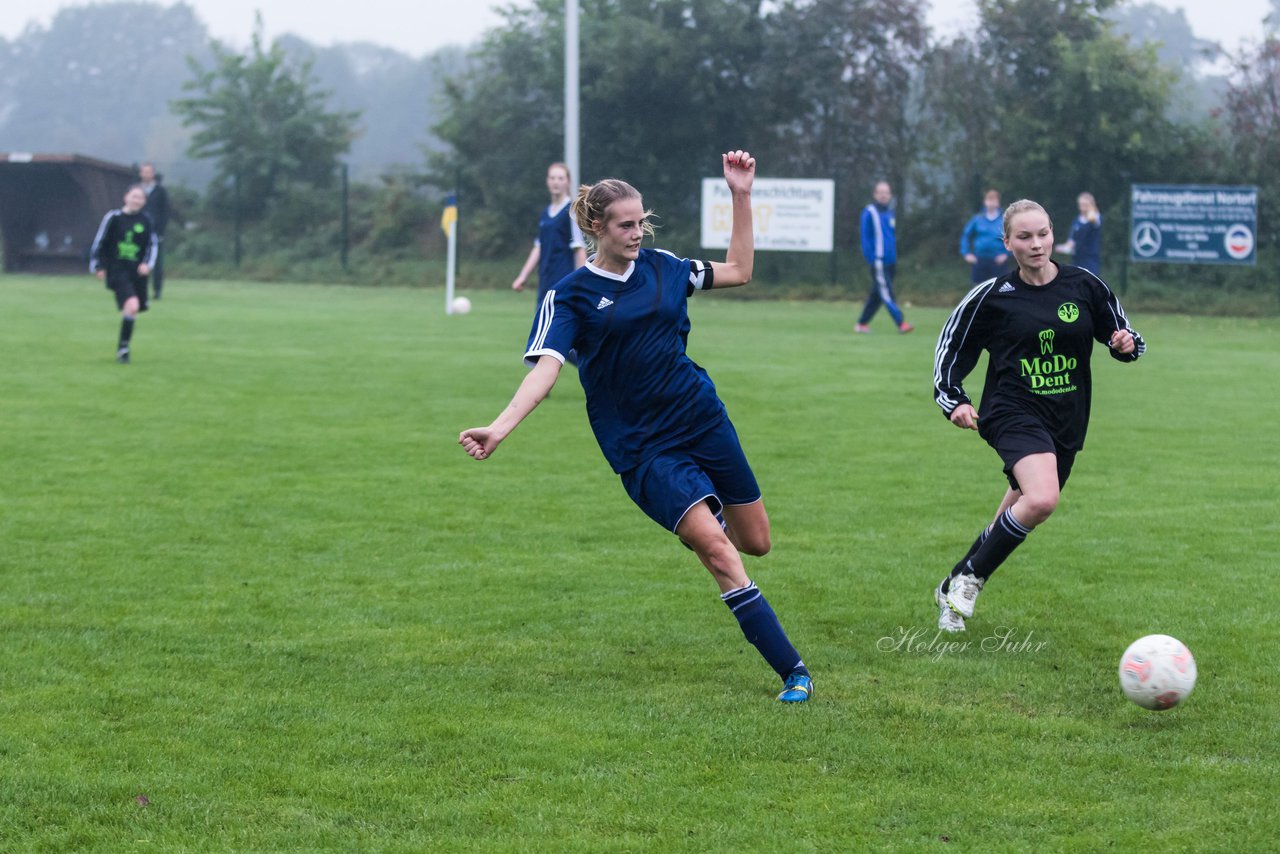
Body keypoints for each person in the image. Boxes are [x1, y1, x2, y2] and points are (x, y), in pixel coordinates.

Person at [460, 150, 813, 703]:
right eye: (626, 224)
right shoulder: (569, 295)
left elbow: (740, 271)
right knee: (719, 551)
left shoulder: (666, 267)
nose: (637, 232)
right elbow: (546, 373)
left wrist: (741, 196)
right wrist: (499, 427)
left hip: (700, 418)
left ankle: (708, 508)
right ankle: (794, 673)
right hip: (641, 447)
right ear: (596, 226)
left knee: (756, 542)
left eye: (641, 221)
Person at [931, 199, 1144, 633]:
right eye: (1024, 237)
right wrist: (954, 400)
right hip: (1011, 411)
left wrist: (1126, 344)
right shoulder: (992, 297)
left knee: (1017, 507)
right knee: (1043, 498)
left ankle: (953, 582)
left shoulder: (1084, 285)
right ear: (1007, 242)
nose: (1036, 244)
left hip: (1066, 419)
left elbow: (1120, 334)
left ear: (1053, 233)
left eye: (1043, 233)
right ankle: (972, 579)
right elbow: (952, 348)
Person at [90, 185, 158, 364]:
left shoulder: (146, 220)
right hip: (117, 270)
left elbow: (152, 245)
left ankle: (123, 347)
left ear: (144, 201)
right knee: (133, 305)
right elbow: (100, 242)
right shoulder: (113, 218)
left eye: (140, 198)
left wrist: (146, 264)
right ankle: (123, 350)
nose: (137, 200)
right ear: (126, 197)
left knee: (132, 310)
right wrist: (98, 265)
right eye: (134, 196)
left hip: (137, 273)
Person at [511, 162, 588, 306]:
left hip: (564, 280)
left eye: (560, 178)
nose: (556, 182)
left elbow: (579, 248)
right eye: (552, 178)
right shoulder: (545, 213)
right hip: (545, 279)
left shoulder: (572, 211)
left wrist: (582, 281)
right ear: (547, 181)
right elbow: (538, 247)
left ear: (568, 181)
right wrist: (523, 276)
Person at [855, 181, 913, 334]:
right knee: (887, 293)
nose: (883, 195)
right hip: (878, 261)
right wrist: (872, 258)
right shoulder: (869, 212)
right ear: (875, 194)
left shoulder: (889, 213)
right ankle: (901, 323)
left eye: (886, 192)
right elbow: (865, 238)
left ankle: (861, 324)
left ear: (890, 195)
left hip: (890, 261)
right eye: (880, 192)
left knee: (878, 294)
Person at [959, 189, 1010, 284]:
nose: (991, 202)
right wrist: (966, 253)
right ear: (985, 202)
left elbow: (1012, 237)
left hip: (998, 261)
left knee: (999, 288)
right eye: (989, 200)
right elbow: (965, 235)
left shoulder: (1004, 220)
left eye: (994, 200)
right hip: (979, 260)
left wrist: (1006, 254)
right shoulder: (977, 219)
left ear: (998, 202)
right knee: (978, 289)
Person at [138, 163, 169, 299]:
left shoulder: (160, 191)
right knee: (138, 260)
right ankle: (139, 288)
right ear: (141, 174)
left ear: (153, 174)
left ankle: (157, 290)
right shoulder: (136, 190)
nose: (146, 174)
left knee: (156, 262)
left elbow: (165, 212)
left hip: (155, 232)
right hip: (138, 230)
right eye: (144, 172)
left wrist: (161, 230)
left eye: (149, 172)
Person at [1054, 191, 1102, 276]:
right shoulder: (1076, 221)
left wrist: (1091, 210)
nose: (1082, 207)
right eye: (1081, 204)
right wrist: (1065, 247)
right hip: (1077, 259)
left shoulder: (1095, 218)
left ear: (1091, 205)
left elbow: (1093, 219)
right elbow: (1071, 241)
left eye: (1085, 205)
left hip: (1090, 260)